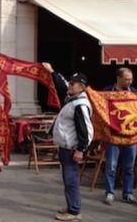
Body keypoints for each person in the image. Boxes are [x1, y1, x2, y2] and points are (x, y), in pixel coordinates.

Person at [43, 63, 93, 222]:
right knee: (67, 179)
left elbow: (84, 130)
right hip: (66, 147)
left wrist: (81, 149)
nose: (69, 85)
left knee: (71, 180)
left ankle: (74, 211)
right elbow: (61, 85)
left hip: (72, 149)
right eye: (70, 82)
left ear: (82, 87)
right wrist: (52, 72)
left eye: (73, 84)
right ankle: (72, 205)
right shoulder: (73, 98)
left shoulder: (80, 105)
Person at [102, 67, 137, 205]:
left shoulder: (135, 93)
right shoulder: (107, 91)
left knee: (129, 167)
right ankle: (109, 192)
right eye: (126, 79)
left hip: (130, 137)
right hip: (113, 136)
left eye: (131, 79)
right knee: (111, 166)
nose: (129, 81)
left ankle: (128, 193)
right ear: (118, 78)